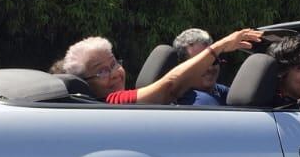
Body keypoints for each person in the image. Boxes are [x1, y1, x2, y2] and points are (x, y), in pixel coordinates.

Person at [63, 28, 263, 104]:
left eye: (114, 64)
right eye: (102, 71)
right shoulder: (112, 102)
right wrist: (219, 47)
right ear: (84, 83)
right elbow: (169, 87)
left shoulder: (219, 92)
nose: (115, 73)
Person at [172, 28, 229, 106]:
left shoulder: (220, 91)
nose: (210, 68)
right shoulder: (198, 102)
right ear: (181, 66)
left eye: (213, 60)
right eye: (200, 63)